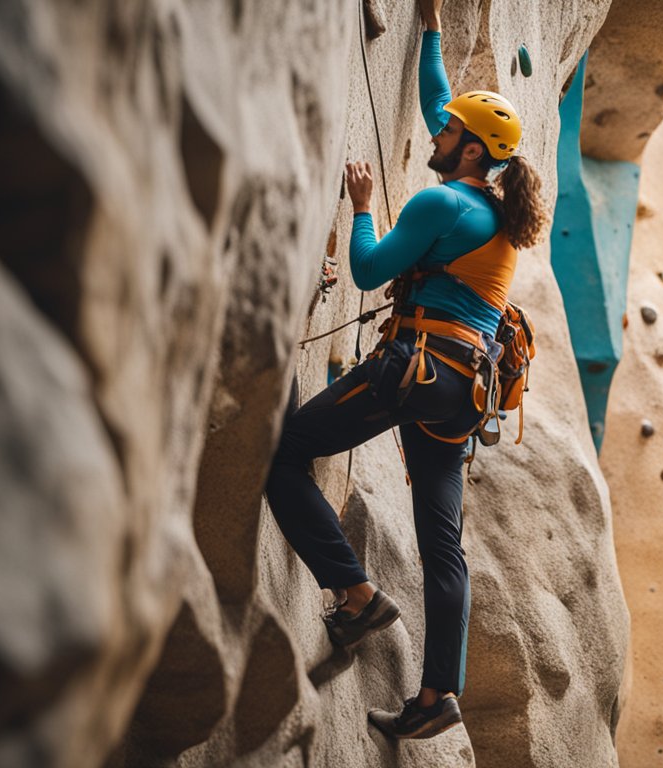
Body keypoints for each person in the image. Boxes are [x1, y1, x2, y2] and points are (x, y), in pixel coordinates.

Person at [262, 0, 548, 740]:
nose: (439, 129)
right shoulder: (489, 209)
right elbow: (435, 99)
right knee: (442, 543)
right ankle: (437, 696)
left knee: (287, 453)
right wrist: (427, 29)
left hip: (415, 370)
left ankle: (355, 594)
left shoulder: (438, 203)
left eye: (450, 132)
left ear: (473, 151)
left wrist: (360, 206)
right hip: (462, 393)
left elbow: (365, 271)